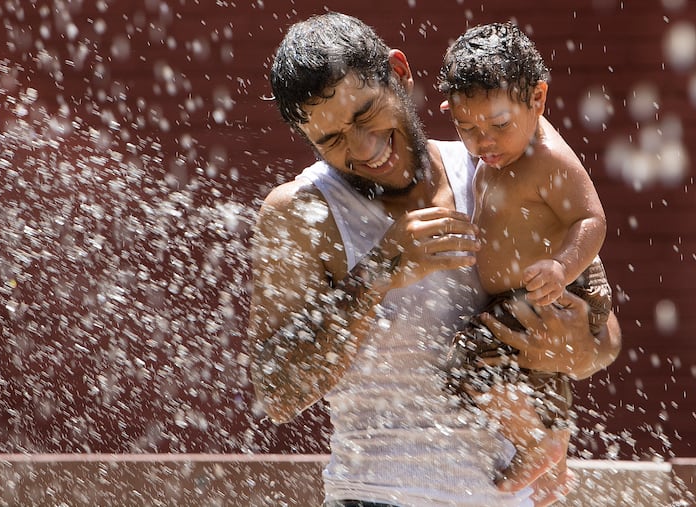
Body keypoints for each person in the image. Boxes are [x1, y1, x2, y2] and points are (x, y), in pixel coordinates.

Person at [248, 12, 621, 507]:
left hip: (509, 497)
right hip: (378, 494)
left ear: (398, 73)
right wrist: (376, 273)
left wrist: (579, 348)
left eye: (365, 116)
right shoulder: (302, 212)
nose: (365, 149)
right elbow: (277, 393)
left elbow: (606, 336)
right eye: (333, 140)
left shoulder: (497, 162)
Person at [437, 22, 613, 495]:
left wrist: (563, 267)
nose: (483, 142)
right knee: (536, 377)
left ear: (537, 99)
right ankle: (551, 461)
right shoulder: (498, 151)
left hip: (562, 285)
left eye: (497, 125)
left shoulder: (548, 158)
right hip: (529, 291)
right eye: (466, 127)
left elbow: (592, 219)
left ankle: (535, 445)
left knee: (467, 360)